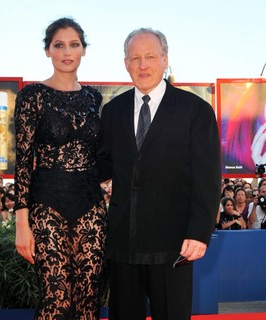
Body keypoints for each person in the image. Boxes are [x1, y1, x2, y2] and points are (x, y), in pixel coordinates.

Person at [100, 28, 221, 320]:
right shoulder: (112, 111)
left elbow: (208, 177)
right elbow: (103, 163)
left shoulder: (196, 110)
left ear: (165, 59)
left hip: (174, 244)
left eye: (151, 56)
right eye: (136, 58)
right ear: (126, 63)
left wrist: (199, 232)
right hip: (123, 243)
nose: (143, 65)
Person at [14, 17, 107, 320]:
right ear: (48, 51)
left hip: (91, 204)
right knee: (56, 300)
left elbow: (101, 153)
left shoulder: (94, 96)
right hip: (47, 203)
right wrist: (21, 224)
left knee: (88, 301)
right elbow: (24, 160)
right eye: (59, 45)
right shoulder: (32, 96)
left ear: (83, 50)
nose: (67, 51)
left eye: (74, 44)